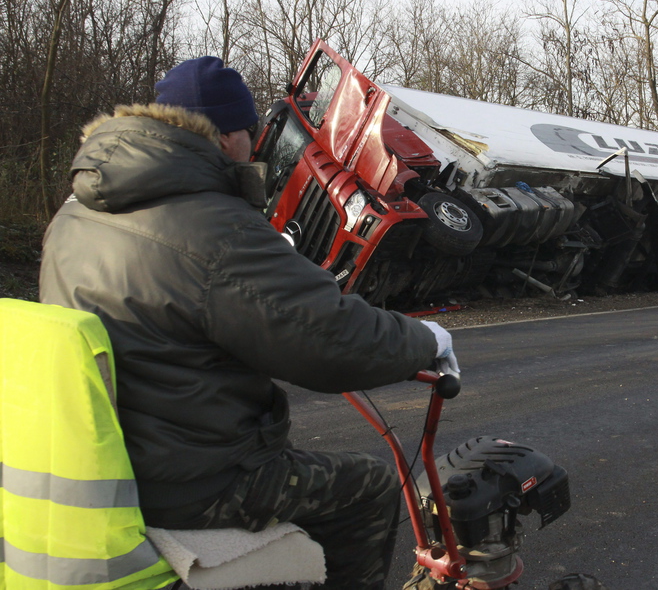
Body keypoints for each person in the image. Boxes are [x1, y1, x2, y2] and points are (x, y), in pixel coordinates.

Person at [39, 56, 458, 590]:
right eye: (250, 132)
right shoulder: (214, 226)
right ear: (226, 135)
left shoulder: (76, 214)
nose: (254, 147)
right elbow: (329, 341)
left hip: (99, 458)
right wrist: (426, 339)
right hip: (190, 482)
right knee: (370, 484)